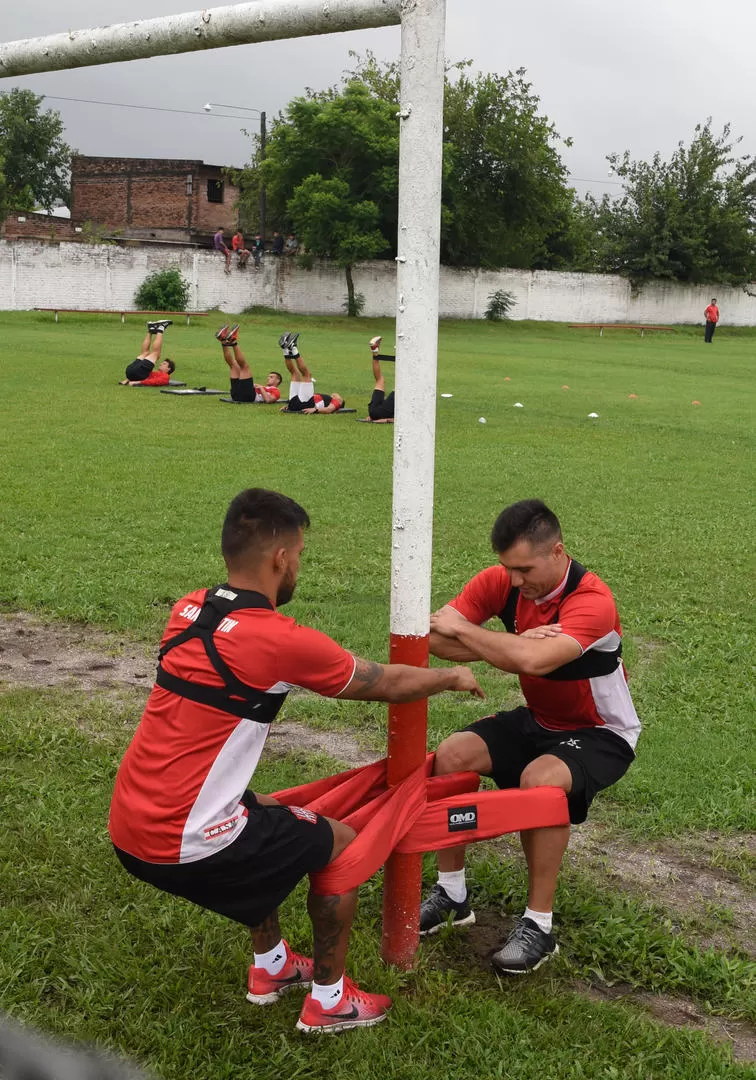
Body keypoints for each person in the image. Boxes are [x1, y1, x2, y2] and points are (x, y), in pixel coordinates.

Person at [108, 488, 484, 1034]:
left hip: (129, 826)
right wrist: (452, 676)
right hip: (183, 841)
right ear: (281, 557)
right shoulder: (279, 640)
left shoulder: (187, 608)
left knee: (260, 817)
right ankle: (329, 1000)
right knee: (340, 845)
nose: (298, 566)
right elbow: (387, 682)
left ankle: (274, 969)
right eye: (300, 555)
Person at [421, 499, 640, 975]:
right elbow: (434, 637)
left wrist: (494, 641)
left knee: (539, 780)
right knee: (452, 754)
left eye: (525, 568)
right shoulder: (499, 581)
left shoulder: (592, 601)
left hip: (602, 732)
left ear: (557, 551)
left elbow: (532, 662)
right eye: (508, 568)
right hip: (538, 719)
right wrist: (512, 648)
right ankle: (452, 893)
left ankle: (539, 926)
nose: (515, 580)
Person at [278, 332, 345, 413]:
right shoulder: (327, 399)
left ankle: (293, 348)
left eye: (337, 396)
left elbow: (329, 409)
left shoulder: (337, 401)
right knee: (295, 373)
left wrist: (315, 410)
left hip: (304, 404)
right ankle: (285, 349)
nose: (334, 394)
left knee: (306, 375)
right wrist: (289, 407)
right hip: (294, 404)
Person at [215, 325, 283, 403]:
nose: (268, 378)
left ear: (278, 380)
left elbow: (268, 400)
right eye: (269, 376)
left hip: (247, 396)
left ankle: (233, 341)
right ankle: (223, 340)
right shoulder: (265, 387)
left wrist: (260, 388)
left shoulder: (276, 391)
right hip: (236, 395)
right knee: (233, 365)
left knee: (244, 367)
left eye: (271, 377)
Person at [120, 321, 175, 385]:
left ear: (169, 369)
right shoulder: (152, 373)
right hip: (131, 372)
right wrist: (128, 379)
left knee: (156, 354)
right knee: (146, 353)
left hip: (134, 372)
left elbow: (154, 382)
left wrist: (138, 382)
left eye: (164, 364)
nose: (160, 364)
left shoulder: (166, 377)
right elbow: (145, 377)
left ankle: (160, 328)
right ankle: (150, 330)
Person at [366, 335, 396, 422]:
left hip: (377, 413)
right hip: (374, 412)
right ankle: (375, 351)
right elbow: (402, 419)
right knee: (380, 380)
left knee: (380, 380)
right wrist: (386, 420)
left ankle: (374, 350)